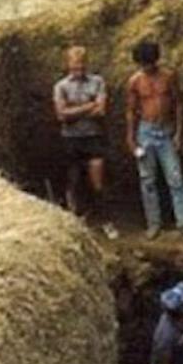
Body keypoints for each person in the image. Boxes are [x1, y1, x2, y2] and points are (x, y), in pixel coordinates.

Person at [125, 37, 183, 240]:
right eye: (144, 64)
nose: (147, 67)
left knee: (175, 178)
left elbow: (178, 104)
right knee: (147, 180)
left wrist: (178, 133)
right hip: (145, 132)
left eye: (150, 63)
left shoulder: (168, 76)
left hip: (165, 132)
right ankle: (153, 224)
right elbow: (132, 111)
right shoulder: (135, 81)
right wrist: (131, 140)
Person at [52, 44, 118, 240]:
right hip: (71, 140)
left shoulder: (97, 81)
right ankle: (76, 224)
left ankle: (106, 222)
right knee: (73, 181)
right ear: (68, 65)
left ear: (86, 64)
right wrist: (89, 106)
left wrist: (75, 111)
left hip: (93, 139)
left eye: (80, 66)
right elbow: (61, 115)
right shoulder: (61, 86)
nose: (77, 70)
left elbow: (101, 110)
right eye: (74, 67)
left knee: (97, 183)